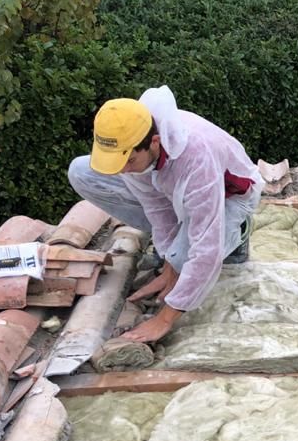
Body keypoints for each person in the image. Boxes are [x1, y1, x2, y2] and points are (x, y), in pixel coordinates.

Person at [68, 86, 264, 343]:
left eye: (128, 162)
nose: (123, 170)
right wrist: (170, 264)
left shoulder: (197, 157)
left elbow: (206, 248)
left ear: (154, 142)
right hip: (173, 190)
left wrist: (164, 318)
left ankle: (237, 234)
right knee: (81, 171)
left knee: (194, 254)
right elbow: (157, 208)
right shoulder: (134, 143)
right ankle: (176, 258)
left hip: (230, 198)